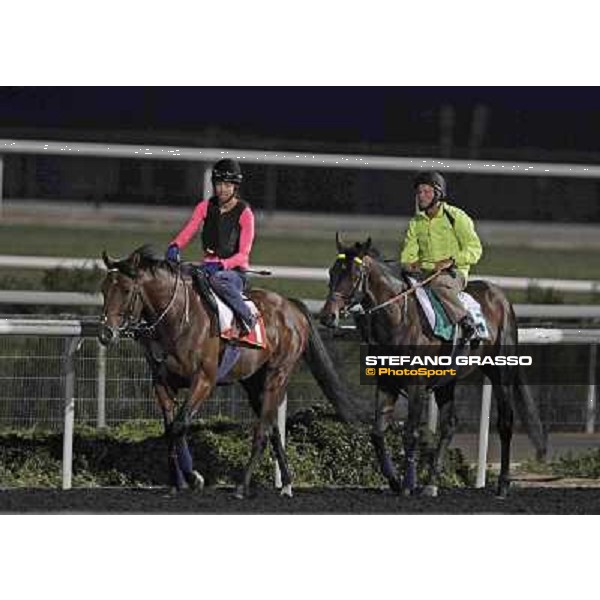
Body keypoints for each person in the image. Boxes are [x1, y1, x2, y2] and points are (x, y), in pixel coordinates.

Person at [165, 158, 257, 335]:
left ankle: (248, 318)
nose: (222, 189)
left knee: (218, 279)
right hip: (206, 269)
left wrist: (222, 264)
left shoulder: (245, 213)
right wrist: (175, 245)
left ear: (235, 187)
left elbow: (244, 255)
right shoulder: (204, 207)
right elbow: (189, 230)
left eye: (227, 185)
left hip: (233, 274)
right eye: (219, 184)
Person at [400, 171, 482, 343]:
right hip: (424, 275)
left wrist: (451, 261)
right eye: (419, 192)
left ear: (438, 194)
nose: (421, 196)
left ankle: (466, 322)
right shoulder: (415, 222)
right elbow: (408, 256)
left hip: (452, 274)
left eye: (426, 192)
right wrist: (409, 265)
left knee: (439, 284)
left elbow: (475, 250)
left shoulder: (456, 217)